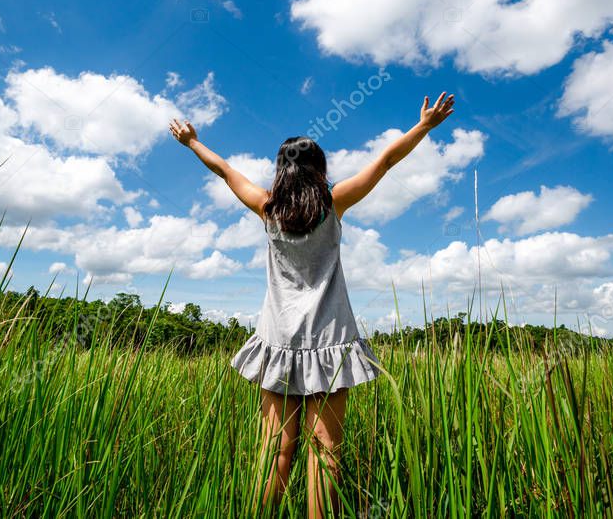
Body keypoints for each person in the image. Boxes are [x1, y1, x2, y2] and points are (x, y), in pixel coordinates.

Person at [169, 92, 456, 518]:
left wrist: (192, 141)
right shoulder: (333, 204)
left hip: (279, 339)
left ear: (281, 171)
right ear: (320, 169)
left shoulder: (268, 208)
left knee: (275, 452)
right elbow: (385, 162)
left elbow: (224, 169)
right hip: (330, 341)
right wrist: (424, 127)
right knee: (325, 453)